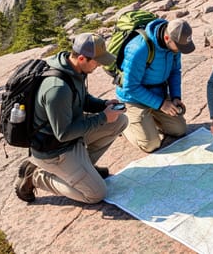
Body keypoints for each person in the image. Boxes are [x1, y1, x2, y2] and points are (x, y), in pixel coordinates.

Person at [14, 32, 128, 204]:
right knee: (96, 194)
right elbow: (64, 133)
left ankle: (83, 171)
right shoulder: (57, 89)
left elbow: (82, 99)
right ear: (82, 58)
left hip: (70, 138)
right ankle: (35, 176)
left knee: (119, 121)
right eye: (97, 61)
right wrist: (103, 118)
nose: (99, 65)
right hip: (54, 149)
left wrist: (103, 105)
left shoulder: (72, 68)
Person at [115, 18, 196, 152]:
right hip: (133, 99)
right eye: (179, 47)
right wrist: (161, 104)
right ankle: (122, 122)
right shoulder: (139, 49)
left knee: (179, 130)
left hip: (158, 94)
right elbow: (130, 87)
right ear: (166, 37)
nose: (180, 51)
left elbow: (175, 71)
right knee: (151, 144)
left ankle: (148, 120)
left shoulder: (175, 45)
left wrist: (176, 97)